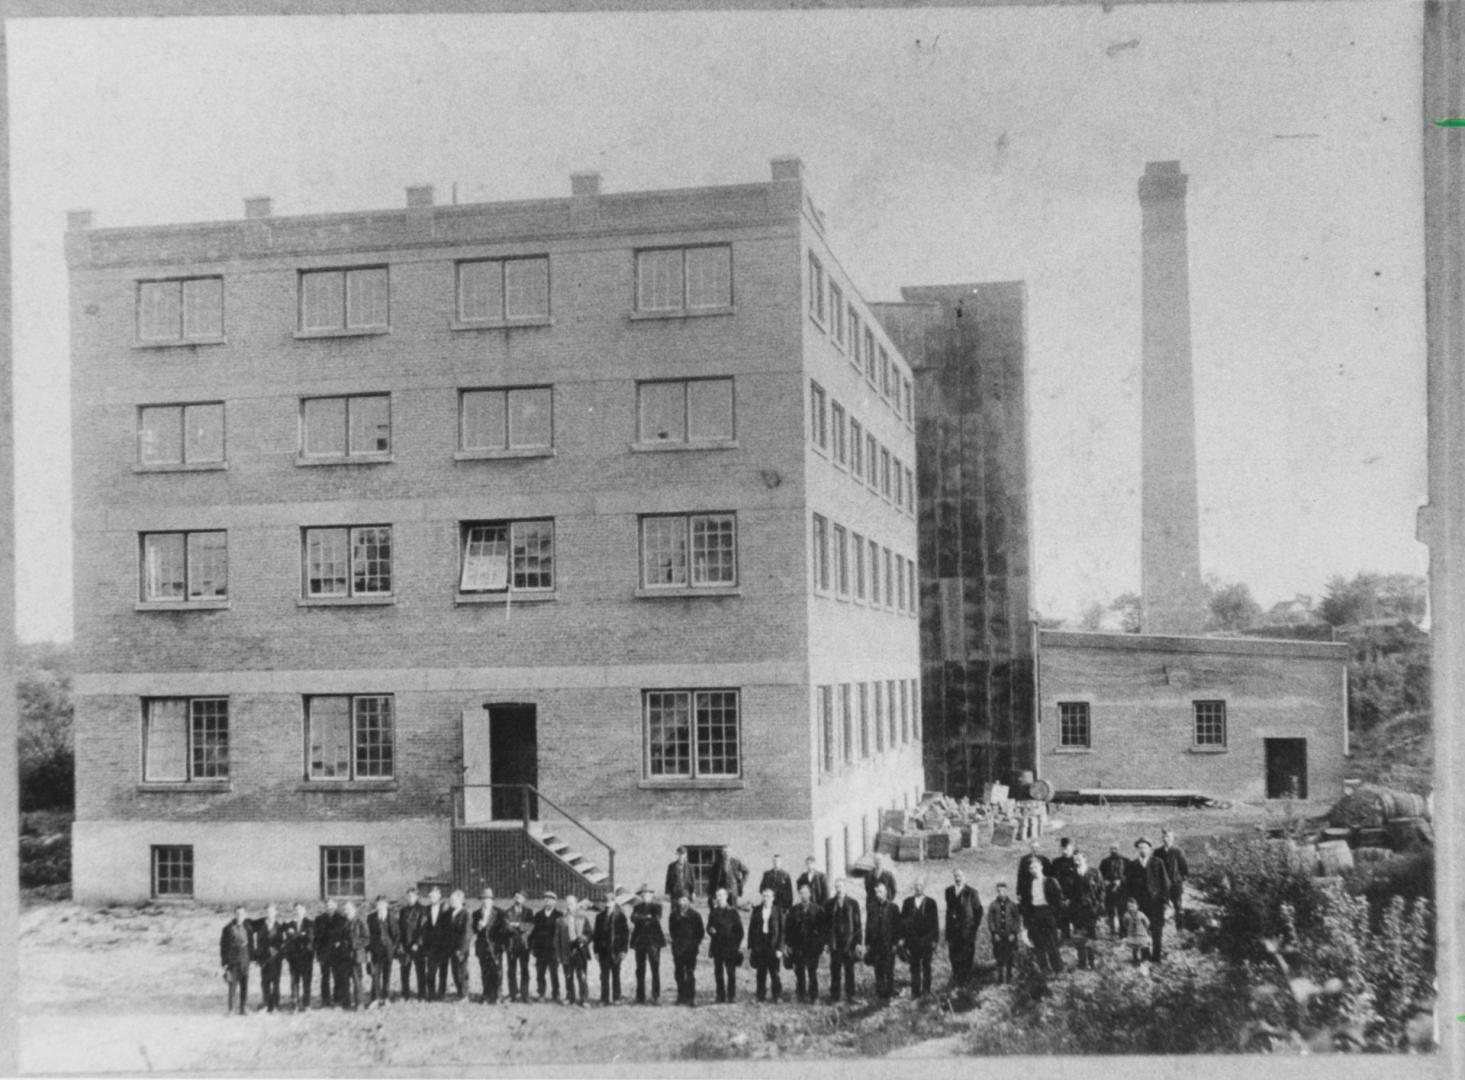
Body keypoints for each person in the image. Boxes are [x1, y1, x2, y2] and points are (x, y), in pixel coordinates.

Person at [1124, 838, 1172, 963]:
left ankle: (1156, 957)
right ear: (1137, 849)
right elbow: (1128, 886)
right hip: (1141, 905)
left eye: (1145, 847)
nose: (1142, 850)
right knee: (1142, 931)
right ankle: (1145, 956)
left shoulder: (1157, 862)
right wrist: (1131, 904)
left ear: (1150, 849)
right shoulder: (1133, 865)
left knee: (1157, 931)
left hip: (1156, 904)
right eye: (1140, 847)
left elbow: (1165, 883)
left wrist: (1165, 900)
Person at [1021, 860, 1064, 974]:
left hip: (1048, 912)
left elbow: (1059, 900)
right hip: (1035, 913)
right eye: (1030, 868)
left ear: (1041, 867)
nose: (1033, 870)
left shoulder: (1050, 881)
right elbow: (1025, 903)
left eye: (1035, 867)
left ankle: (1058, 969)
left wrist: (1056, 916)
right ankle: (1044, 969)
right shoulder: (1028, 884)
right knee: (1038, 943)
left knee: (1052, 943)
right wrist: (1027, 920)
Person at [825, 877, 863, 1003]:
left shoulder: (853, 903)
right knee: (835, 970)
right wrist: (827, 943)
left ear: (845, 888)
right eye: (837, 887)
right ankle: (835, 996)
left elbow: (858, 925)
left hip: (849, 942)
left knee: (849, 970)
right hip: (835, 942)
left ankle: (850, 995)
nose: (839, 889)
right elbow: (826, 925)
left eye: (841, 887)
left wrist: (858, 943)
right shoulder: (830, 904)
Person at [785, 881, 825, 1002]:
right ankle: (801, 994)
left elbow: (823, 929)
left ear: (810, 894)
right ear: (799, 894)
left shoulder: (818, 910)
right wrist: (788, 945)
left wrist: (820, 945)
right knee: (799, 971)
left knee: (812, 971)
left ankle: (814, 996)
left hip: (812, 946)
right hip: (798, 945)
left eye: (806, 893)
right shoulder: (793, 910)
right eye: (801, 893)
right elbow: (788, 929)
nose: (803, 895)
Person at [900, 877, 939, 999]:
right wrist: (903, 939)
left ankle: (926, 990)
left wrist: (934, 940)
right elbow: (902, 922)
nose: (918, 887)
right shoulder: (907, 902)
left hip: (926, 939)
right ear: (913, 887)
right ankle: (915, 991)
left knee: (926, 965)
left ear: (924, 887)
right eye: (916, 885)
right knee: (914, 966)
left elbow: (935, 923)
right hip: (913, 940)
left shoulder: (931, 903)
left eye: (920, 885)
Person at [944, 868, 983, 987]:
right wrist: (948, 930)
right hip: (953, 931)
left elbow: (978, 911)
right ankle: (956, 978)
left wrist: (973, 928)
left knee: (966, 955)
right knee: (954, 955)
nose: (958, 878)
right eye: (955, 876)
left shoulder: (971, 892)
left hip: (967, 931)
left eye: (960, 876)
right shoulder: (949, 891)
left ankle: (966, 981)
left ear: (964, 877)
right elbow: (949, 911)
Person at [1066, 853, 1105, 971]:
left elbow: (1101, 891)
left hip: (1091, 910)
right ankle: (1082, 963)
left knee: (1091, 937)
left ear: (1085, 859)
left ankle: (1092, 962)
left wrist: (1098, 907)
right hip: (1077, 911)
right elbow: (1068, 893)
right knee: (1079, 937)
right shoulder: (1071, 875)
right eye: (1074, 859)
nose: (1077, 861)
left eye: (1079, 859)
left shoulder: (1094, 872)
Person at [748, 886, 786, 1002]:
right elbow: (751, 928)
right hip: (760, 943)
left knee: (774, 972)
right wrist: (751, 946)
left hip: (773, 944)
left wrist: (780, 948)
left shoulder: (778, 911)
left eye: (768, 896)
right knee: (761, 972)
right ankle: (760, 996)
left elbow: (782, 931)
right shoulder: (757, 910)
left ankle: (777, 996)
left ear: (773, 898)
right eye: (764, 896)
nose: (766, 898)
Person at [706, 887, 745, 1003]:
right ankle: (720, 995)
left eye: (721, 896)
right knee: (718, 972)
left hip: (730, 947)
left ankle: (731, 995)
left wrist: (735, 946)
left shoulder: (733, 912)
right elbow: (708, 926)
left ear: (726, 897)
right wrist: (710, 930)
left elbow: (740, 931)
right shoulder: (713, 912)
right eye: (717, 896)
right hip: (717, 946)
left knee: (731, 972)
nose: (719, 898)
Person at [629, 884, 665, 1004]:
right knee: (640, 969)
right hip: (640, 941)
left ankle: (656, 995)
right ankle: (640, 996)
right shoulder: (637, 907)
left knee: (655, 968)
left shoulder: (657, 907)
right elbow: (633, 918)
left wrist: (641, 918)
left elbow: (656, 918)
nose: (645, 896)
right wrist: (646, 917)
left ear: (651, 894)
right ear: (640, 895)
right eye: (643, 894)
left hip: (654, 941)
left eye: (648, 893)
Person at [593, 890, 631, 1005]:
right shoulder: (599, 917)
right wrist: (596, 951)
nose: (608, 904)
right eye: (606, 902)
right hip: (603, 951)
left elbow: (625, 934)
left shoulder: (620, 916)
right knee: (604, 975)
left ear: (614, 902)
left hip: (616, 950)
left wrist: (624, 950)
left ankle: (616, 997)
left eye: (611, 901)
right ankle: (604, 999)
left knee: (616, 974)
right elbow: (596, 935)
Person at [556, 895, 594, 1007]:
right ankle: (570, 997)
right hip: (567, 950)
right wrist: (559, 954)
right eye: (567, 903)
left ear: (576, 904)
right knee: (568, 975)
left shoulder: (583, 917)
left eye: (571, 903)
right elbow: (556, 938)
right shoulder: (561, 920)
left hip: (580, 950)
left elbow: (590, 933)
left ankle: (584, 999)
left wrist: (584, 939)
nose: (569, 906)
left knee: (581, 976)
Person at [864, 880, 899, 1001]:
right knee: (878, 968)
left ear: (886, 892)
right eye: (876, 892)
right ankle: (880, 994)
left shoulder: (893, 908)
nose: (878, 894)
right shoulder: (871, 907)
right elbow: (868, 926)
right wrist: (867, 943)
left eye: (881, 891)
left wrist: (895, 943)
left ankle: (888, 994)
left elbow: (897, 927)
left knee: (889, 969)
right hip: (875, 944)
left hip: (888, 944)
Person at [668, 892, 705, 1006]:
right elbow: (672, 931)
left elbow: (700, 932)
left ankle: (691, 997)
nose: (682, 902)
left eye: (685, 900)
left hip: (691, 949)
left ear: (689, 901)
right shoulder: (674, 915)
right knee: (679, 972)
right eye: (680, 900)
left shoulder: (695, 915)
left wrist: (695, 944)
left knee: (690, 972)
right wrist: (676, 943)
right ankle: (681, 996)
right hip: (678, 948)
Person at [251, 902, 288, 1013]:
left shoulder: (279, 926)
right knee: (265, 981)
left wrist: (279, 952)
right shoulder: (260, 924)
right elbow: (252, 935)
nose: (270, 913)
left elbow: (283, 942)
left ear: (275, 912)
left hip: (276, 958)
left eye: (272, 911)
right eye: (268, 911)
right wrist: (257, 956)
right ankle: (266, 1003)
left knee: (276, 981)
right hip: (263, 958)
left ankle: (276, 1004)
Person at [472, 887, 505, 1004]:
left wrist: (499, 943)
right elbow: (473, 931)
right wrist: (478, 927)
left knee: (497, 971)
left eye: (488, 899)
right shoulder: (476, 914)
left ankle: (497, 995)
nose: (486, 901)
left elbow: (503, 930)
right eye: (484, 899)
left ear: (492, 900)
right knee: (484, 971)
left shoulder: (499, 913)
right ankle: (486, 994)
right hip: (482, 946)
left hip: (495, 947)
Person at [335, 900, 370, 1009]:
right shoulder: (343, 922)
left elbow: (367, 938)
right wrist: (339, 943)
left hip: (356, 955)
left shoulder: (360, 921)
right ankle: (346, 1003)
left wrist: (355, 944)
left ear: (354, 909)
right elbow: (339, 937)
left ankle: (359, 1003)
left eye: (349, 909)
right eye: (345, 909)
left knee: (357, 980)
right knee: (344, 980)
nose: (347, 911)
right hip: (344, 955)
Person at [366, 895, 400, 1007]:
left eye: (382, 903)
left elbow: (396, 935)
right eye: (378, 904)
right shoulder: (371, 918)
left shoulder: (392, 917)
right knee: (375, 974)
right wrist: (369, 950)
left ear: (386, 904)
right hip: (375, 950)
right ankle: (375, 998)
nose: (379, 906)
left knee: (387, 974)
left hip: (388, 951)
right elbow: (368, 935)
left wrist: (392, 948)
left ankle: (386, 998)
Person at [986, 882, 1022, 984]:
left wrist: (1014, 933)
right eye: (999, 891)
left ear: (1006, 891)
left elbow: (1017, 920)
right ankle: (1000, 979)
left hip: (1010, 936)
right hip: (998, 936)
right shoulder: (993, 905)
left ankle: (1009, 978)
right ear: (997, 892)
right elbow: (990, 920)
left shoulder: (1012, 905)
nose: (1001, 893)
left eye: (1003, 891)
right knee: (999, 957)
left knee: (1010, 957)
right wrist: (994, 933)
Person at [531, 892, 564, 1003]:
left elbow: (562, 934)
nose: (549, 901)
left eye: (551, 899)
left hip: (553, 950)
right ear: (544, 900)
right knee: (540, 972)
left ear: (555, 901)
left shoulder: (559, 915)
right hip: (541, 950)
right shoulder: (538, 915)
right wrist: (533, 948)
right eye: (547, 899)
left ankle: (556, 993)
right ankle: (541, 993)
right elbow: (533, 933)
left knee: (554, 972)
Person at [503, 892, 535, 1003]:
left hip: (524, 945)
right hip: (511, 944)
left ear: (525, 899)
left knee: (524, 969)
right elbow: (506, 927)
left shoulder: (529, 912)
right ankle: (512, 994)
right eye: (516, 896)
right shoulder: (507, 912)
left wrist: (517, 925)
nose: (518, 899)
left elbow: (531, 926)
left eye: (521, 897)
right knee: (511, 970)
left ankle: (525, 994)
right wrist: (521, 927)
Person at [220, 905, 252, 1015]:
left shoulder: (248, 927)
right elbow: (223, 947)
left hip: (245, 961)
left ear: (245, 915)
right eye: (237, 914)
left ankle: (243, 1008)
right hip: (232, 962)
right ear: (234, 915)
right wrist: (224, 964)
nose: (240, 916)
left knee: (244, 986)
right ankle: (231, 1009)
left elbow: (251, 944)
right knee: (232, 986)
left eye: (242, 914)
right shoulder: (228, 929)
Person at [284, 902, 315, 1012]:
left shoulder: (310, 923)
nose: (298, 912)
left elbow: (309, 938)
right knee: (294, 982)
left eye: (300, 910)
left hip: (306, 957)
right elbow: (288, 941)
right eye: (296, 910)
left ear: (304, 911)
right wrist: (300, 934)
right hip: (294, 958)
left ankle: (306, 1004)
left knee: (307, 981)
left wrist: (296, 934)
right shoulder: (290, 924)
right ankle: (295, 1004)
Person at [421, 886, 450, 1001]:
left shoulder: (445, 908)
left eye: (434, 895)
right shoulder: (426, 909)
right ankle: (431, 994)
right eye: (430, 896)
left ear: (439, 896)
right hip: (431, 946)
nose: (432, 898)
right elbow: (424, 927)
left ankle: (441, 993)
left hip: (443, 945)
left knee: (443, 971)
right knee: (431, 972)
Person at [397, 886, 426, 1000]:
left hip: (417, 946)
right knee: (404, 970)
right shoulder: (403, 910)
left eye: (412, 896)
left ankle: (422, 994)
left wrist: (417, 943)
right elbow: (400, 928)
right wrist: (400, 944)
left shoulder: (422, 910)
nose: (410, 898)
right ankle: (405, 994)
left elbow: (423, 929)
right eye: (408, 896)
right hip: (405, 945)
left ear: (417, 896)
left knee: (420, 970)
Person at [1157, 829, 1190, 927]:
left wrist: (1180, 880)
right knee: (1161, 905)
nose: (1166, 839)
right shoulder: (1158, 852)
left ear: (1173, 839)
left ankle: (1180, 928)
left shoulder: (1177, 851)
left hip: (1175, 883)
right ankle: (1161, 927)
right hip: (1162, 884)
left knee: (1178, 906)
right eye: (1164, 837)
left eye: (1168, 837)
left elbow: (1184, 868)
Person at [445, 889, 474, 1001]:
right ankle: (459, 992)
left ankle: (465, 995)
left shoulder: (465, 914)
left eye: (454, 899)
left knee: (462, 971)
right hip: (451, 948)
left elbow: (467, 933)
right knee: (455, 971)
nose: (451, 901)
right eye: (451, 899)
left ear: (461, 900)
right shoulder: (451, 913)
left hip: (461, 949)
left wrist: (461, 949)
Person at [1050, 837, 1079, 938]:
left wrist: (1072, 898)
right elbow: (1053, 881)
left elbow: (1079, 881)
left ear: (1072, 848)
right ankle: (1065, 938)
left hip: (1074, 896)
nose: (1064, 851)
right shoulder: (1056, 862)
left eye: (1067, 848)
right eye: (1062, 848)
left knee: (1076, 920)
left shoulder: (1076, 862)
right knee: (1062, 920)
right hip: (1060, 897)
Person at [313, 898, 339, 1008]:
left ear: (336, 906)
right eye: (328, 905)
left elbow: (342, 935)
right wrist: (317, 952)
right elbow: (316, 938)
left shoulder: (341, 918)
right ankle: (325, 1000)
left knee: (337, 976)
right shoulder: (319, 919)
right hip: (324, 953)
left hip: (337, 953)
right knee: (325, 977)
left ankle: (337, 999)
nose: (329, 907)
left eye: (332, 905)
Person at [1098, 844, 1128, 936]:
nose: (1113, 850)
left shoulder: (1125, 861)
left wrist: (1121, 881)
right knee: (1110, 912)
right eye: (1111, 849)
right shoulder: (1105, 861)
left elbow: (1129, 874)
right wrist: (1105, 881)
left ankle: (1123, 933)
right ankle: (1112, 931)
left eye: (1115, 848)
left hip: (1121, 890)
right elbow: (1100, 875)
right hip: (1109, 890)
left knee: (1121, 912)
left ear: (1119, 849)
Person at [1015, 840, 1051, 909]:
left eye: (1036, 847)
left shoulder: (1045, 860)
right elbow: (1020, 876)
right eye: (1033, 847)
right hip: (1027, 889)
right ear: (1030, 848)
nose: (1035, 849)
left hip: (1040, 888)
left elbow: (1048, 876)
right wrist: (1018, 892)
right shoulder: (1024, 860)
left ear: (1039, 848)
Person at [1121, 897, 1152, 964]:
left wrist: (1144, 928)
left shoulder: (1141, 914)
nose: (1131, 908)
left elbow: (1147, 922)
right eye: (1129, 906)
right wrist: (1128, 928)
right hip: (1132, 935)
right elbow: (1125, 923)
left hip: (1141, 934)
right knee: (1134, 948)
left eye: (1133, 906)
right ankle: (1135, 959)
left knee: (1143, 946)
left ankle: (1144, 958)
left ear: (1137, 906)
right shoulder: (1126, 915)